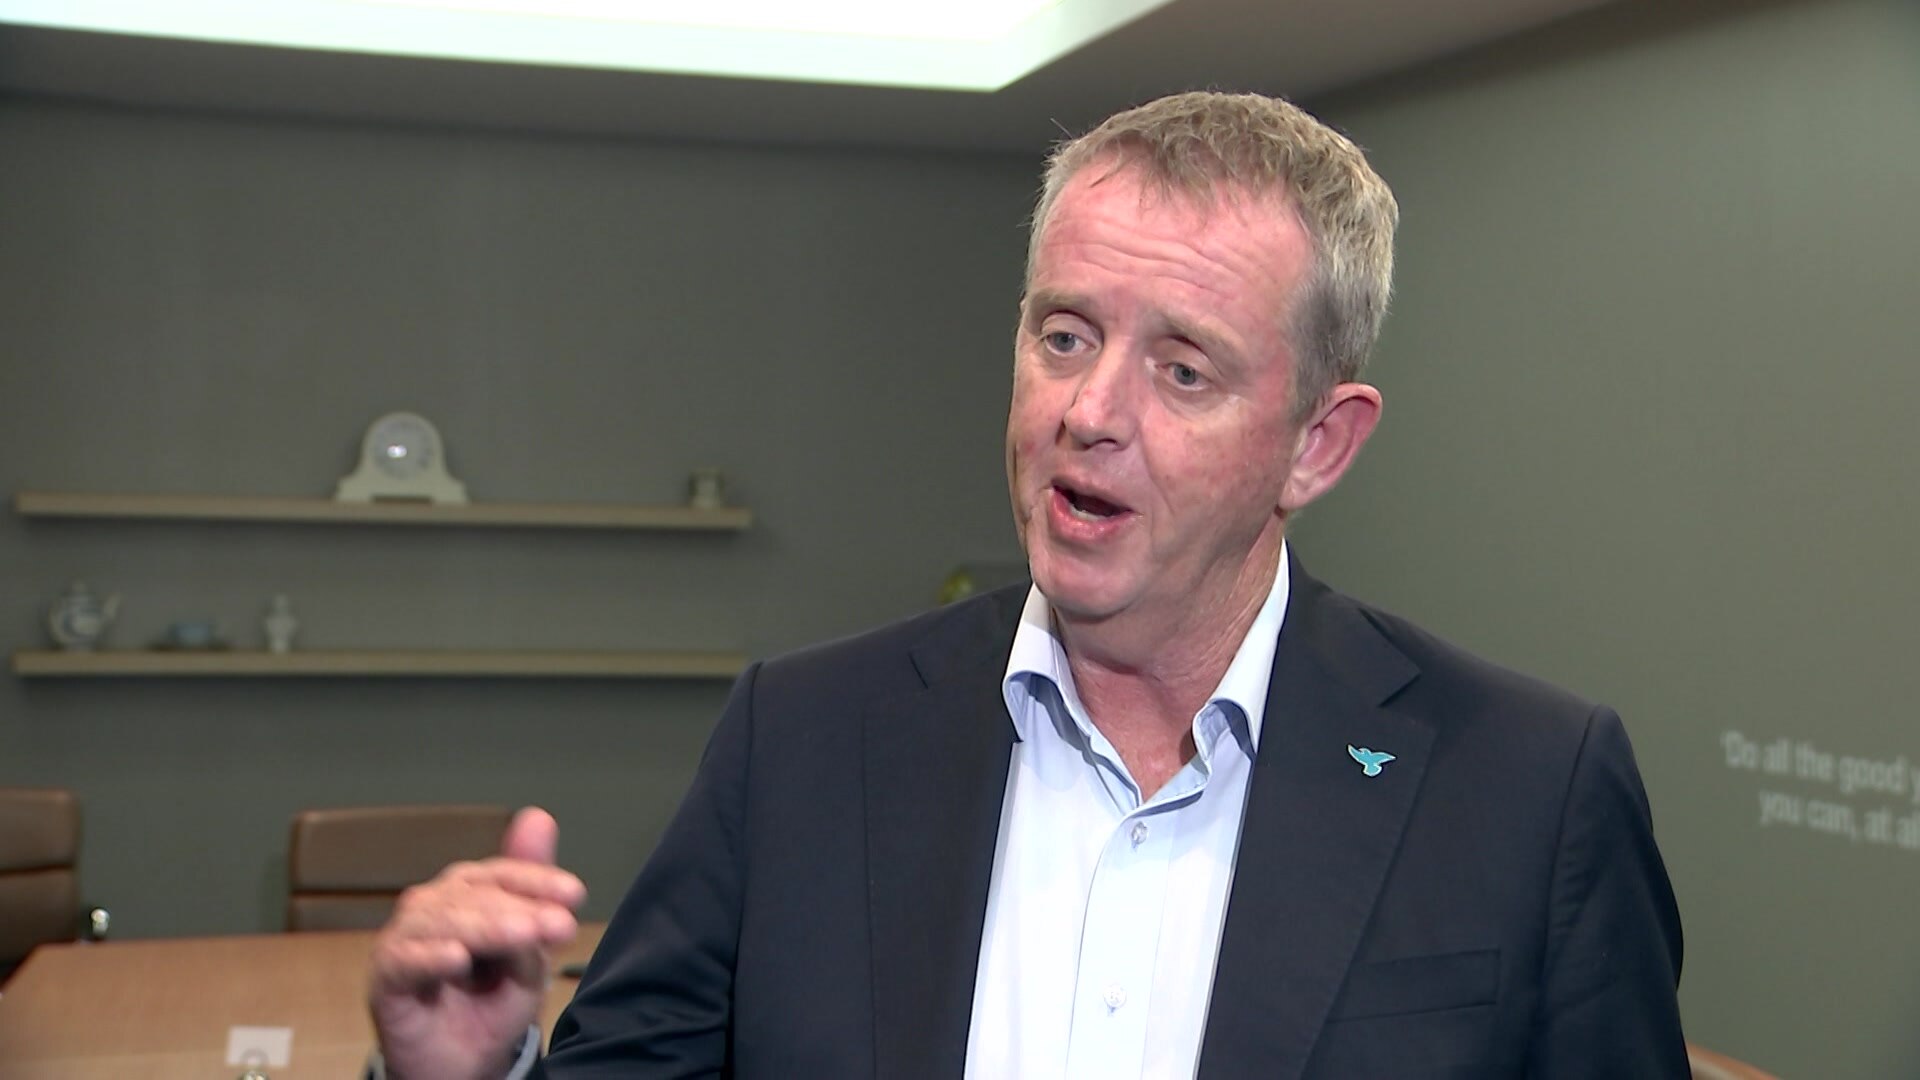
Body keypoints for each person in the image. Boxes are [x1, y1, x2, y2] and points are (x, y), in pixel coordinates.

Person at [369, 90, 1687, 1079]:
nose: (1088, 411)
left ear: (1317, 444)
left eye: (1184, 368)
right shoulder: (804, 740)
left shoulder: (1528, 789)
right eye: (1064, 335)